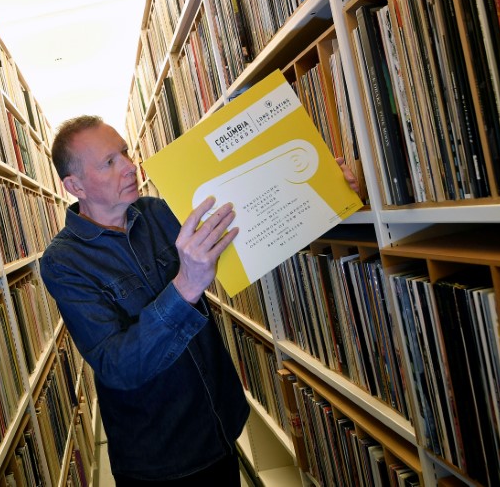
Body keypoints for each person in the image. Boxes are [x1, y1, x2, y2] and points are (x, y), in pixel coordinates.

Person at [39, 115, 358, 485]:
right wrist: (184, 287)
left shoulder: (160, 212)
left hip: (220, 423)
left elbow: (248, 222)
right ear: (74, 185)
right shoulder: (63, 262)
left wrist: (325, 189)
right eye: (109, 162)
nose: (129, 166)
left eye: (125, 153)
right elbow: (115, 365)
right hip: (159, 457)